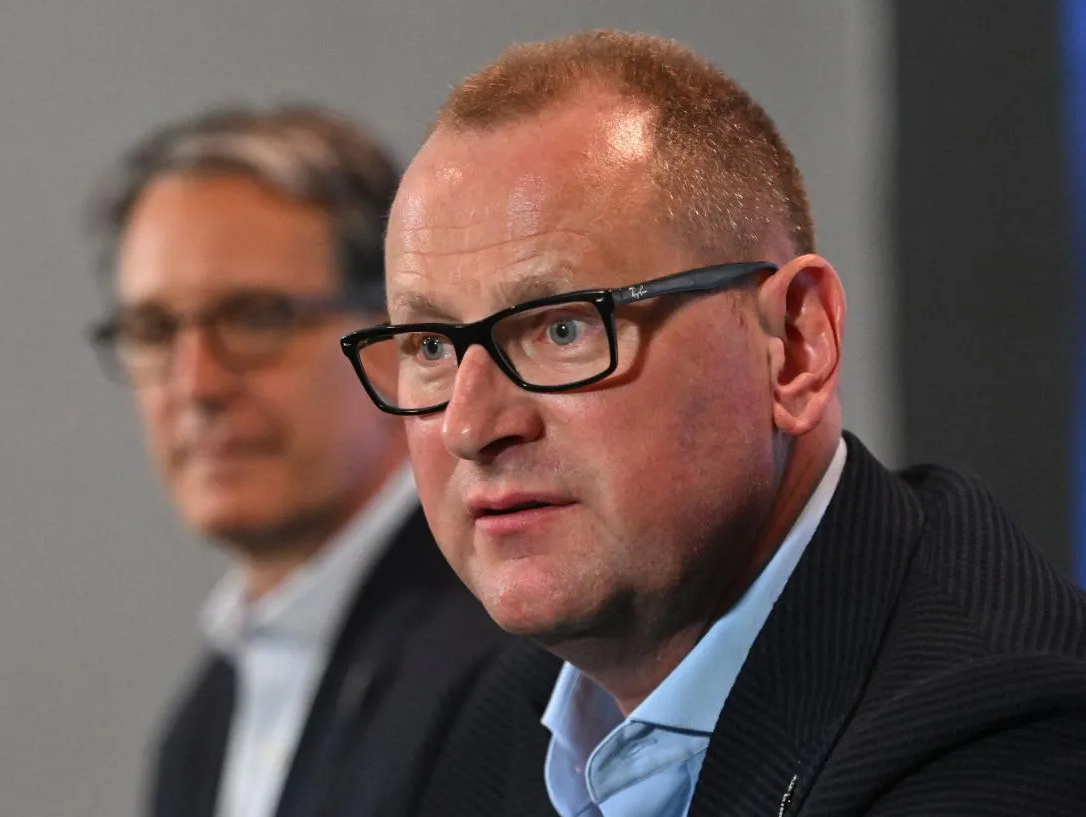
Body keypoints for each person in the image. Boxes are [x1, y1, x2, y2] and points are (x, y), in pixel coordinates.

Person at [339, 29, 1086, 816]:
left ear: (796, 346)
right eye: (429, 345)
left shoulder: (1012, 748)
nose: (468, 425)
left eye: (563, 328)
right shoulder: (492, 718)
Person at [86, 105, 541, 817]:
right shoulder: (198, 728)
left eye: (255, 318)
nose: (196, 384)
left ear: (394, 337)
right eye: (154, 330)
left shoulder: (511, 650)